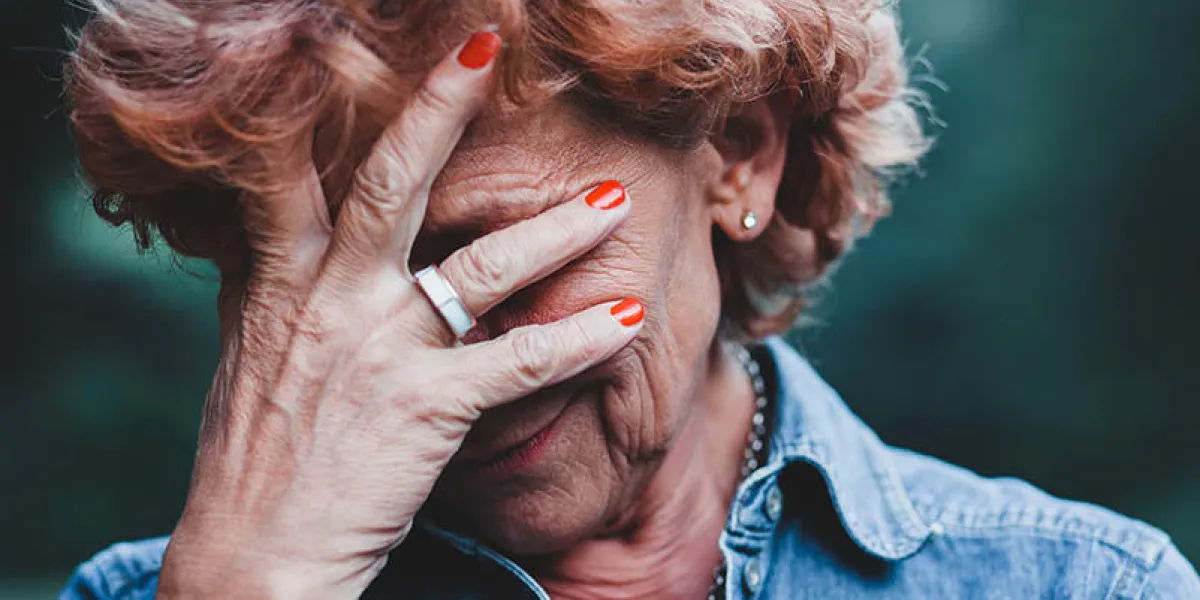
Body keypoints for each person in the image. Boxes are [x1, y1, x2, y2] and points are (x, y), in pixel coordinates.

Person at [58, 0, 1199, 598]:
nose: (435, 353)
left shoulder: (1076, 586)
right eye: (344, 295)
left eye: (497, 256)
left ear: (743, 154)